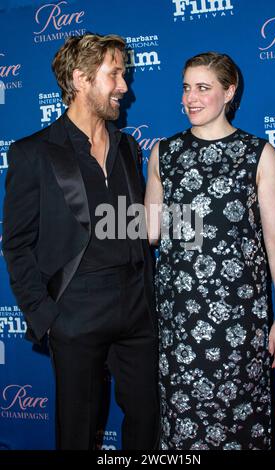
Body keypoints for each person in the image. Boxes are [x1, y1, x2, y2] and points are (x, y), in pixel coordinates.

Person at [3, 33, 159, 450]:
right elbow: (16, 244)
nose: (124, 87)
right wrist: (47, 316)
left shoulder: (127, 146)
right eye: (115, 75)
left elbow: (134, 224)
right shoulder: (32, 153)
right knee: (78, 430)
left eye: (123, 74)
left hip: (137, 307)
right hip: (76, 310)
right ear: (80, 79)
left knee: (148, 422)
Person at [145, 52, 275, 450]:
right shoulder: (165, 153)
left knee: (241, 423)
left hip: (240, 321)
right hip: (178, 319)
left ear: (229, 92)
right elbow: (150, 232)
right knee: (182, 429)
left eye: (203, 88)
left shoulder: (258, 155)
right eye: (186, 87)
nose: (190, 98)